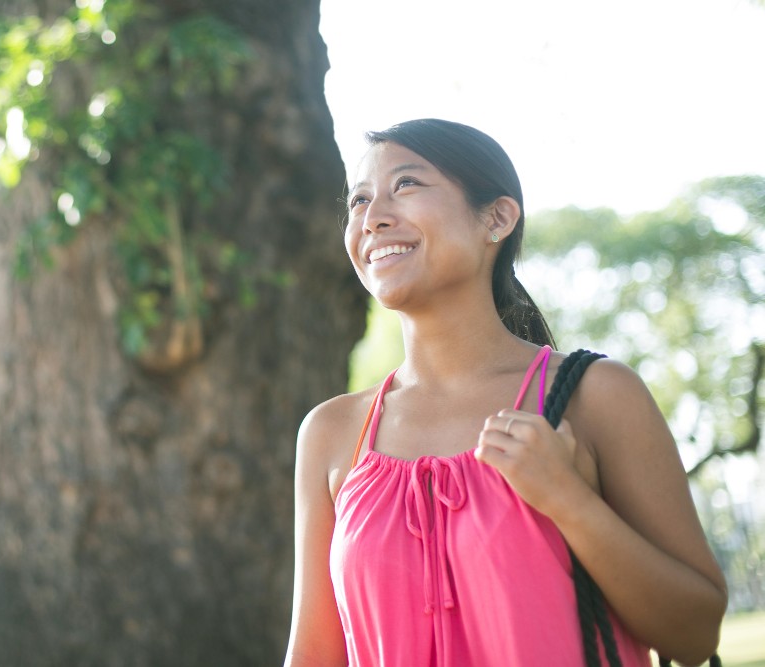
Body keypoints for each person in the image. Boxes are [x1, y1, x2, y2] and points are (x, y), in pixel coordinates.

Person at [283, 119, 727, 666]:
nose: (372, 218)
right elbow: (313, 655)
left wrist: (568, 501)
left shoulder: (595, 395)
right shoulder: (331, 434)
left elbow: (695, 635)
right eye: (358, 200)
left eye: (406, 185)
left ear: (496, 218)